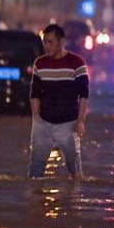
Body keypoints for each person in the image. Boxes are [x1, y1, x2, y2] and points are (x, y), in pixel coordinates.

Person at [28, 23, 89, 179]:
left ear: (61, 42)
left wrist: (80, 120)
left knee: (75, 172)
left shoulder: (77, 63)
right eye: (45, 42)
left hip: (68, 123)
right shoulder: (39, 64)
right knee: (35, 173)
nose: (46, 46)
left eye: (50, 42)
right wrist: (36, 119)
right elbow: (34, 93)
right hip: (44, 122)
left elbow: (83, 94)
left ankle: (73, 201)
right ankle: (36, 201)